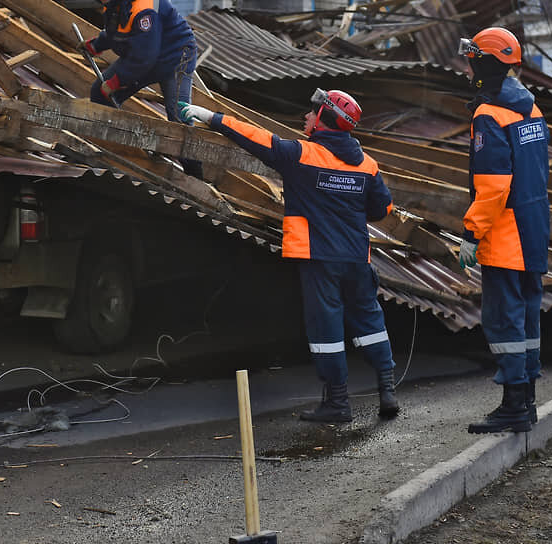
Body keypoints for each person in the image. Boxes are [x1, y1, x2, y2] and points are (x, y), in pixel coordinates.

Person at [177, 90, 400, 423]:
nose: (307, 118)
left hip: (319, 257)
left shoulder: (302, 155)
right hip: (356, 257)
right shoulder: (367, 164)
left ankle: (338, 404)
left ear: (325, 120)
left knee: (326, 328)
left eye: (312, 113)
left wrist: (212, 117)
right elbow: (381, 209)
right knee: (370, 321)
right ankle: (387, 390)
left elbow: (257, 139)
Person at [457, 27, 550, 434]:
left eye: (473, 58)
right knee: (528, 318)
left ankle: (513, 406)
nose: (468, 64)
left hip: (506, 235)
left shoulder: (488, 114)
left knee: (504, 319)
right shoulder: (532, 109)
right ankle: (526, 401)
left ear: (484, 62)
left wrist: (472, 233)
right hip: (533, 231)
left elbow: (493, 186)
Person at [79, 0, 203, 177]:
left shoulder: (145, 10)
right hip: (147, 55)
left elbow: (144, 58)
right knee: (100, 93)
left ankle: (195, 175)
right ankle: (114, 149)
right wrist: (96, 45)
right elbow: (117, 30)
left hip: (175, 58)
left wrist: (117, 81)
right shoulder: (115, 5)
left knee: (179, 117)